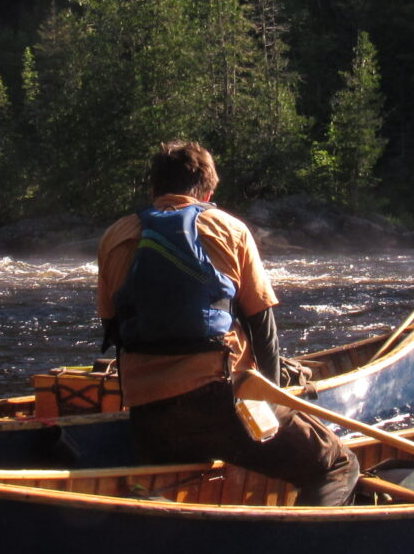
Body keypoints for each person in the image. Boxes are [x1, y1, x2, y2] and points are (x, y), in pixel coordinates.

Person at [96, 140, 358, 506]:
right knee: (337, 464)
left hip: (148, 416)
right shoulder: (228, 228)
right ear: (209, 190)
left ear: (154, 189)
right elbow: (262, 326)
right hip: (221, 402)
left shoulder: (115, 236)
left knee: (173, 483)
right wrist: (274, 393)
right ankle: (302, 548)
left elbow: (112, 327)